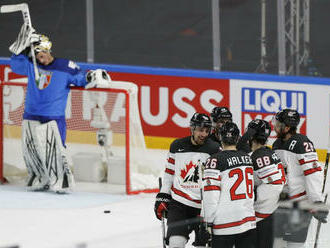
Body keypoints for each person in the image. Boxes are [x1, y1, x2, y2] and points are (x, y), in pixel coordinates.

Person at [9, 23, 110, 193]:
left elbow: (81, 78)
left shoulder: (65, 66)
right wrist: (23, 41)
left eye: (43, 55)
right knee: (32, 149)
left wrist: (92, 76)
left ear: (48, 51)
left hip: (53, 115)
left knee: (54, 149)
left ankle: (61, 182)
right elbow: (15, 63)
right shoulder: (30, 64)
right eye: (38, 56)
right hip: (31, 113)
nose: (42, 59)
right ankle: (40, 179)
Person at [154, 113, 220, 248]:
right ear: (192, 128)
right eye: (201, 130)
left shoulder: (213, 149)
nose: (204, 134)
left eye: (207, 131)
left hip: (204, 207)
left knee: (203, 245)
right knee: (175, 243)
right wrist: (163, 195)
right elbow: (169, 174)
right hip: (179, 204)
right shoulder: (177, 146)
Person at [272, 109, 328, 247]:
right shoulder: (276, 144)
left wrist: (316, 202)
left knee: (294, 245)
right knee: (277, 244)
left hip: (298, 205)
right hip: (281, 204)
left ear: (287, 127)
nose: (275, 126)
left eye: (278, 124)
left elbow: (313, 173)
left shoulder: (302, 143)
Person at [202, 121, 256, 248]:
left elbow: (211, 196)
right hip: (248, 221)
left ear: (220, 137)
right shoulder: (247, 158)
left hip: (224, 225)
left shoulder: (214, 160)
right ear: (237, 138)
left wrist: (207, 222)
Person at [239, 119, 286, 248]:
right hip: (271, 212)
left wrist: (252, 199)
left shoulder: (259, 157)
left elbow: (274, 186)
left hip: (264, 215)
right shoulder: (267, 152)